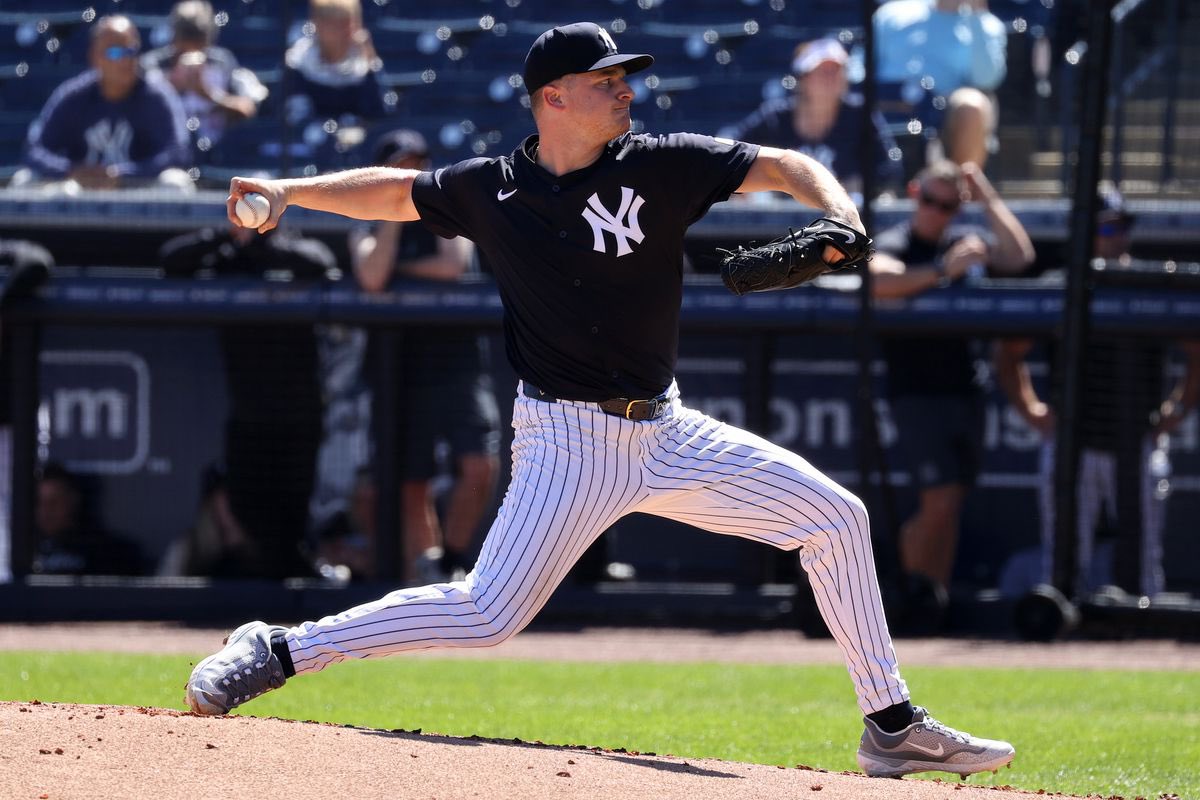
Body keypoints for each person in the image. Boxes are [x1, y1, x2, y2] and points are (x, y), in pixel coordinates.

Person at [186, 22, 1015, 780]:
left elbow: (781, 164)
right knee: (487, 616)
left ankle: (891, 724)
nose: (625, 88)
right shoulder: (494, 188)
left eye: (626, 76)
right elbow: (394, 192)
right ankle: (281, 649)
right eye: (605, 78)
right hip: (566, 440)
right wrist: (292, 191)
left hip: (667, 429)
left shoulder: (659, 163)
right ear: (553, 98)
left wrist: (838, 213)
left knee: (836, 517)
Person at [994, 191, 1200, 599]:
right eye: (1106, 226)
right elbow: (1008, 353)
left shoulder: (1148, 283)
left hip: (1137, 438)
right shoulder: (1061, 287)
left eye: (1122, 226)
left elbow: (1196, 348)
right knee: (1065, 559)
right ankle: (1067, 630)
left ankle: (1142, 630)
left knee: (1143, 559)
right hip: (1074, 442)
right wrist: (1034, 412)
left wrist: (1177, 408)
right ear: (1084, 233)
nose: (1116, 236)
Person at [869, 159, 1035, 599]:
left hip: (966, 389)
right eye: (930, 200)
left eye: (948, 205)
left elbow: (1020, 256)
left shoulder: (965, 240)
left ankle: (932, 601)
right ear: (913, 194)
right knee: (937, 502)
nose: (936, 211)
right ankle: (905, 602)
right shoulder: (898, 242)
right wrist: (944, 271)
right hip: (919, 392)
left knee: (952, 504)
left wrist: (986, 197)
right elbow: (877, 281)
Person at [350, 128, 501, 583]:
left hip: (456, 362)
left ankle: (452, 559)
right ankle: (429, 576)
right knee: (408, 479)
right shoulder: (366, 220)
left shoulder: (444, 208)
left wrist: (404, 271)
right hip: (399, 367)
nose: (409, 173)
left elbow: (453, 266)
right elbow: (373, 277)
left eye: (416, 163)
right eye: (399, 165)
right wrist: (391, 212)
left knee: (479, 463)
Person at [160, 223, 338, 579]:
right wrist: (224, 235)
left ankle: (295, 587)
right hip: (250, 411)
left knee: (293, 512)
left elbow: (322, 262)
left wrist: (262, 242)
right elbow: (172, 262)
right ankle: (262, 584)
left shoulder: (289, 246)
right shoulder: (228, 256)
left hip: (300, 409)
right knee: (248, 509)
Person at [16, 15, 193, 192]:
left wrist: (124, 174)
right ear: (95, 57)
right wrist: (72, 171)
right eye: (115, 52)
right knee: (25, 180)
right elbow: (34, 150)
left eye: (131, 51)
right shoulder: (75, 95)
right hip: (79, 188)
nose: (125, 60)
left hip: (138, 188)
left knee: (176, 183)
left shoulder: (156, 96)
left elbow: (178, 152)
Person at [721, 37, 902, 198]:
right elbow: (731, 147)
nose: (831, 78)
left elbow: (890, 167)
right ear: (803, 79)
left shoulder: (860, 116)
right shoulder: (775, 117)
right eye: (823, 71)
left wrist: (862, 185)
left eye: (837, 70)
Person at [872, 0, 1008, 169]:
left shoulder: (986, 24)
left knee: (972, 104)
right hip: (885, 104)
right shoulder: (890, 14)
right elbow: (860, 66)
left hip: (944, 111)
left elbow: (987, 79)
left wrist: (975, 17)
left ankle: (961, 187)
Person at [141, 0, 269, 148]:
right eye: (185, 36)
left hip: (214, 149)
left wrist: (207, 94)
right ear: (174, 36)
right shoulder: (153, 64)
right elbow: (136, 107)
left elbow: (246, 109)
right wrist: (172, 84)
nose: (191, 48)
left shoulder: (221, 62)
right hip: (163, 147)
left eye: (198, 37)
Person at [0, 240, 54, 582]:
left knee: (9, 504)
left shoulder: (10, 257)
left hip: (10, 418)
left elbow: (37, 262)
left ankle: (8, 586)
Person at [281, 0, 388, 124]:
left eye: (347, 22)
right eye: (332, 23)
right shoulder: (297, 62)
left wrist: (370, 60)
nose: (342, 30)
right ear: (317, 24)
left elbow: (380, 115)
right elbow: (294, 117)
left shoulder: (367, 64)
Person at [31, 462, 144, 575]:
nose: (46, 511)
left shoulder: (110, 553)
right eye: (39, 503)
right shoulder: (24, 551)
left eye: (54, 502)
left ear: (73, 500)